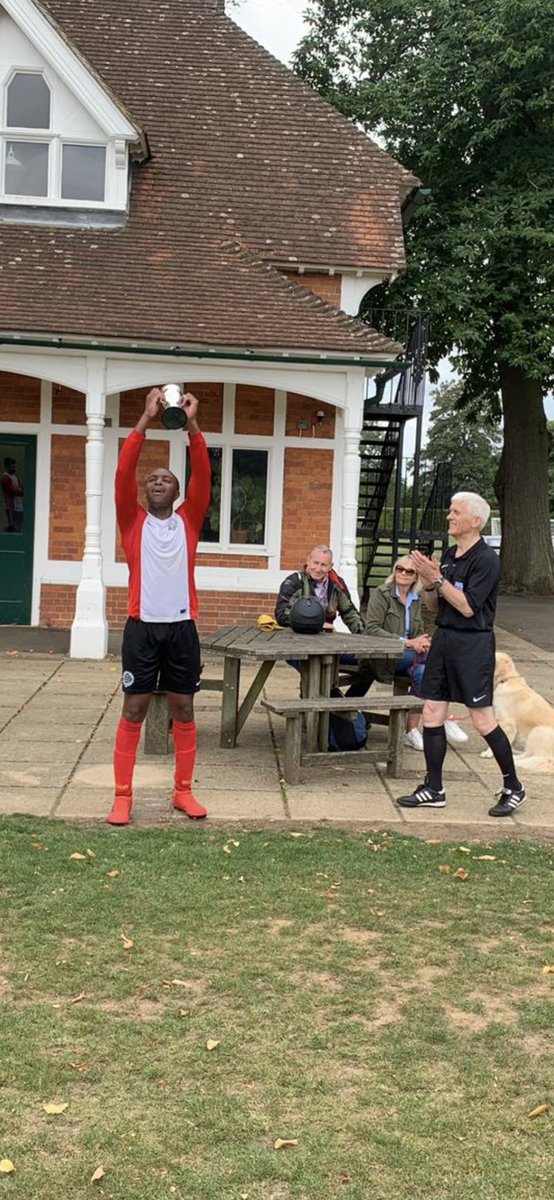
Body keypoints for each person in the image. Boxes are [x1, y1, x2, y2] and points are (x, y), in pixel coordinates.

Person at [107, 388, 211, 826]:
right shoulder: (133, 522)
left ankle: (183, 793)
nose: (156, 482)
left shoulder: (188, 520)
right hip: (142, 628)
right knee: (135, 708)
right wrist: (145, 420)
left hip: (182, 628)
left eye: (165, 479)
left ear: (175, 490)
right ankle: (122, 796)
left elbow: (204, 475)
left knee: (183, 708)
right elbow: (123, 470)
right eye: (151, 479)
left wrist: (191, 425)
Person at [397, 491, 526, 817]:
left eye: (456, 512)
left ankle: (514, 787)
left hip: (473, 645)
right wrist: (428, 582)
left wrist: (438, 578)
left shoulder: (486, 560)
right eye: (450, 511)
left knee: (483, 720)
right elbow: (433, 605)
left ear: (475, 520)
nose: (449, 517)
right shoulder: (451, 554)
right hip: (445, 641)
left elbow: (468, 608)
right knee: (431, 714)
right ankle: (434, 788)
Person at [360, 556, 469, 750]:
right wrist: (409, 643)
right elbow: (372, 629)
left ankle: (410, 730)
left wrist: (423, 642)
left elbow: (418, 633)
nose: (403, 573)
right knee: (438, 661)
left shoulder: (415, 599)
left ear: (415, 577)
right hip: (383, 656)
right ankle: (445, 716)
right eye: (399, 569)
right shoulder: (381, 594)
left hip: (411, 659)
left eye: (409, 571)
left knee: (423, 673)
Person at [1, 457, 24, 532]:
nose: (14, 468)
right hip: (11, 506)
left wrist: (18, 490)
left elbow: (21, 490)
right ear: (7, 466)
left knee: (19, 525)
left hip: (19, 505)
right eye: (12, 466)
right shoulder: (5, 478)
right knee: (12, 526)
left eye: (15, 466)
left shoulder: (15, 477)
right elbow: (11, 491)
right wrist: (18, 490)